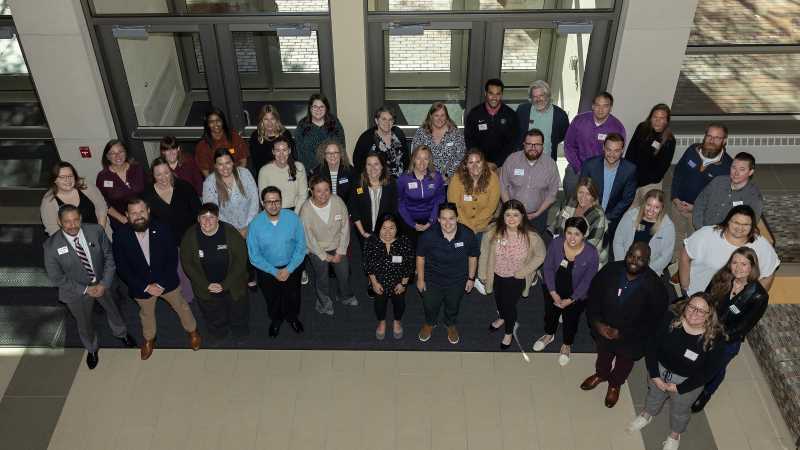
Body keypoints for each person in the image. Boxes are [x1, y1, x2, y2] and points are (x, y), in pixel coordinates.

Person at [626, 294, 725, 450]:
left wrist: (680, 388)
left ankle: (675, 434)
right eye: (692, 306)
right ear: (685, 306)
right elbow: (651, 345)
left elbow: (708, 372)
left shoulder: (715, 339)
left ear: (709, 316)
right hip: (660, 370)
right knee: (654, 394)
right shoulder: (669, 319)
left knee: (680, 409)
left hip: (688, 382)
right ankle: (647, 414)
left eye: (701, 311)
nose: (694, 312)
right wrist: (654, 375)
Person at [43, 205, 135, 369]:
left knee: (113, 309)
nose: (72, 226)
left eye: (76, 220)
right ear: (59, 222)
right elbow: (56, 277)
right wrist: (85, 289)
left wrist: (104, 283)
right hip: (75, 292)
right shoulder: (51, 246)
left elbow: (109, 257)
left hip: (102, 283)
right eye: (67, 222)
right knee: (84, 323)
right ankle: (92, 349)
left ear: (81, 218)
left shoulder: (96, 231)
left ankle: (121, 333)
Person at [581, 242, 669, 408]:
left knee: (624, 363)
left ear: (648, 261)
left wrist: (622, 334)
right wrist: (598, 324)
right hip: (603, 331)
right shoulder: (609, 271)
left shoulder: (656, 288)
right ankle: (601, 374)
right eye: (631, 256)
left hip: (632, 340)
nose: (634, 261)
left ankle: (615, 384)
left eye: (640, 259)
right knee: (603, 356)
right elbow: (593, 297)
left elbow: (653, 322)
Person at [112, 198, 200, 360]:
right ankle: (149, 339)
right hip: (141, 286)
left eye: (141, 211)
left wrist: (160, 283)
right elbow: (122, 267)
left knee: (182, 306)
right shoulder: (120, 235)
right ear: (127, 215)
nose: (138, 216)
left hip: (166, 281)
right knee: (146, 314)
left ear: (148, 211)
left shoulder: (163, 228)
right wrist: (146, 286)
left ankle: (192, 331)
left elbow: (172, 259)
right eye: (134, 213)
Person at [691, 247, 769, 413]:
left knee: (717, 367)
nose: (738, 268)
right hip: (707, 327)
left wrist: (717, 335)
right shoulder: (722, 277)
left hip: (728, 339)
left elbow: (744, 327)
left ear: (752, 267)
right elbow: (707, 298)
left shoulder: (759, 295)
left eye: (744, 264)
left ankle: (707, 392)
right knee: (698, 357)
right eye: (734, 262)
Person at [477, 200, 546, 350]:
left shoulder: (531, 236)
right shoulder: (492, 232)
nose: (511, 219)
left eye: (516, 215)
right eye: (508, 215)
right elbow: (484, 253)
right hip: (496, 275)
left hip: (516, 278)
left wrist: (523, 272)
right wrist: (482, 273)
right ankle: (502, 317)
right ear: (503, 216)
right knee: (499, 299)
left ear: (522, 216)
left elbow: (541, 255)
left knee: (509, 306)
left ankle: (509, 332)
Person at [533, 217, 599, 366]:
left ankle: (566, 344)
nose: (572, 238)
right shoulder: (556, 244)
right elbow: (548, 268)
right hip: (553, 289)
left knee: (571, 320)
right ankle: (549, 335)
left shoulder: (591, 253)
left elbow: (588, 281)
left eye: (577, 234)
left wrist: (571, 299)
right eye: (569, 233)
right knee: (550, 314)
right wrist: (553, 292)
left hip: (577, 296)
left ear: (584, 235)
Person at [180, 203, 250, 342]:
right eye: (203, 217)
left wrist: (225, 284)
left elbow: (241, 262)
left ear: (218, 218)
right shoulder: (190, 236)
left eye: (211, 217)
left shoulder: (230, 233)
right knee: (212, 313)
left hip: (233, 284)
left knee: (238, 311)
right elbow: (187, 264)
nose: (207, 221)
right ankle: (218, 332)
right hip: (206, 287)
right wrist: (206, 285)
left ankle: (239, 331)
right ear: (198, 219)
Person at [680, 205, 779, 296]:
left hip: (734, 304)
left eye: (746, 224)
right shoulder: (706, 234)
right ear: (728, 221)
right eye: (736, 222)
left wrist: (753, 299)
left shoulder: (761, 245)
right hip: (698, 294)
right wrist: (685, 286)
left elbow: (769, 273)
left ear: (752, 226)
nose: (740, 228)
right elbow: (685, 255)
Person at [416, 202, 479, 345]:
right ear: (438, 219)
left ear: (457, 218)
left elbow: (473, 256)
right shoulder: (428, 235)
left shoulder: (467, 234)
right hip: (432, 279)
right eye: (443, 218)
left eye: (451, 218)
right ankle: (430, 323)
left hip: (457, 280)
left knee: (453, 305)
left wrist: (471, 278)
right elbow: (420, 257)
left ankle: (450, 324)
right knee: (430, 305)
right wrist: (420, 279)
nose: (447, 223)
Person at [248, 186, 307, 337]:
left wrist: (289, 269)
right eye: (269, 202)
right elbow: (254, 255)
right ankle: (276, 320)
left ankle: (293, 317)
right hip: (267, 270)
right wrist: (274, 272)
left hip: (292, 266)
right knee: (272, 297)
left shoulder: (293, 218)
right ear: (262, 203)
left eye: (277, 201)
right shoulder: (255, 224)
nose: (273, 205)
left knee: (293, 295)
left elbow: (301, 246)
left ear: (281, 201)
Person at [669, 123, 732, 260]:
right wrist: (674, 197)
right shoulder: (692, 150)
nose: (711, 140)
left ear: (724, 140)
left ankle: (688, 269)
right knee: (676, 235)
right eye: (709, 136)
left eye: (717, 138)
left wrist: (696, 208)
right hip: (678, 205)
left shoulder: (727, 167)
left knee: (696, 243)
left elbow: (721, 199)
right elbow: (678, 174)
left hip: (700, 214)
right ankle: (674, 265)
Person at [143, 157, 201, 301]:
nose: (163, 178)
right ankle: (188, 298)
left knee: (196, 268)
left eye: (166, 173)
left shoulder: (184, 187)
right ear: (153, 175)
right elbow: (146, 221)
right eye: (158, 174)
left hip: (189, 238)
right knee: (178, 272)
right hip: (166, 243)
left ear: (171, 171)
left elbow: (198, 212)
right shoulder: (147, 194)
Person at [299, 175, 357, 315]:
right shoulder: (306, 210)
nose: (323, 194)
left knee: (344, 274)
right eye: (319, 191)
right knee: (322, 277)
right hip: (316, 249)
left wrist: (340, 251)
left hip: (338, 246)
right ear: (311, 191)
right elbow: (308, 238)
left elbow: (345, 228)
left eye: (326, 190)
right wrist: (325, 256)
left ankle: (345, 296)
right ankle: (324, 303)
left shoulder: (338, 201)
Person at [579, 133, 637, 251]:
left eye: (616, 151)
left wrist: (607, 218)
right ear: (603, 148)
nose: (612, 154)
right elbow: (581, 192)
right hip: (589, 213)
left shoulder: (630, 169)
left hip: (613, 217)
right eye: (609, 150)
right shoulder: (590, 165)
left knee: (607, 249)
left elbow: (627, 199)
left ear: (622, 151)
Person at [563, 92, 626, 197]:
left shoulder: (617, 127)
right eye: (597, 105)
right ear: (593, 106)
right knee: (570, 192)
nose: (600, 109)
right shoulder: (579, 120)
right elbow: (568, 146)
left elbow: (617, 153)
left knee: (593, 200)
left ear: (610, 108)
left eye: (605, 106)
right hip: (577, 166)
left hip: (601, 171)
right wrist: (579, 168)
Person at [362, 213, 414, 340]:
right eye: (384, 228)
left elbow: (409, 265)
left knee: (399, 303)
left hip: (398, 281)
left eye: (392, 228)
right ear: (379, 228)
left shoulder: (404, 242)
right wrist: (374, 283)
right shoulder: (371, 241)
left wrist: (403, 284)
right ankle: (382, 322)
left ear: (397, 228)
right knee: (379, 304)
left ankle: (397, 321)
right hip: (379, 281)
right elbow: (367, 264)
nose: (388, 232)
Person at [500, 129, 560, 234]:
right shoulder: (512, 160)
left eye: (537, 144)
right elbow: (503, 186)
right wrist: (511, 211)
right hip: (511, 215)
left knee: (534, 247)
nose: (533, 148)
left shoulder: (550, 165)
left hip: (538, 216)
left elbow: (552, 194)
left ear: (542, 145)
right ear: (524, 144)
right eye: (529, 144)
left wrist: (537, 213)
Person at [692, 151, 763, 229]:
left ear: (750, 172)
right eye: (734, 167)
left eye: (742, 169)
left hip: (728, 235)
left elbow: (748, 225)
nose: (736, 173)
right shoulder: (718, 181)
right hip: (703, 228)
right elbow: (700, 202)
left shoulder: (754, 197)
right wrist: (699, 227)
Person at [612, 189, 675, 275]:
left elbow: (666, 256)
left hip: (650, 270)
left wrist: (646, 270)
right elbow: (618, 242)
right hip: (625, 264)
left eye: (656, 207)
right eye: (649, 205)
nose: (651, 210)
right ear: (644, 203)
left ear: (662, 208)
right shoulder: (630, 216)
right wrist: (623, 264)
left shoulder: (668, 226)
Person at [623, 104, 676, 205]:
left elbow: (661, 170)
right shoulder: (641, 127)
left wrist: (639, 183)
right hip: (633, 175)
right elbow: (630, 152)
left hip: (651, 182)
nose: (657, 121)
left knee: (648, 209)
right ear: (650, 117)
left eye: (661, 118)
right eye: (655, 117)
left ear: (666, 121)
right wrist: (628, 176)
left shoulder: (669, 141)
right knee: (625, 206)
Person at [202, 148, 260, 238]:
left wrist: (248, 226)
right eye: (220, 164)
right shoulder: (209, 183)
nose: (225, 168)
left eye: (227, 163)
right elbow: (213, 211)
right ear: (215, 166)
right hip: (226, 231)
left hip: (251, 227)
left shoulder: (244, 174)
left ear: (233, 162)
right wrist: (233, 231)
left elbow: (255, 201)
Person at [41, 161, 109, 236]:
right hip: (70, 240)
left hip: (98, 232)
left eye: (70, 176)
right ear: (54, 180)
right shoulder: (49, 201)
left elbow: (101, 207)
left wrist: (100, 232)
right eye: (62, 177)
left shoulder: (86, 186)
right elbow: (53, 229)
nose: (68, 180)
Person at [550, 176, 608, 260]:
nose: (583, 197)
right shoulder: (571, 202)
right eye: (580, 192)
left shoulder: (598, 215)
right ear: (576, 192)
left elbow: (590, 246)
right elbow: (557, 224)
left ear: (594, 196)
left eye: (588, 194)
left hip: (589, 258)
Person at [464, 78, 519, 167]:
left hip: (503, 166)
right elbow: (469, 141)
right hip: (479, 165)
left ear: (502, 95)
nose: (494, 98)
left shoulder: (511, 115)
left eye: (498, 94)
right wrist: (481, 162)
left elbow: (512, 143)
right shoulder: (474, 114)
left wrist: (497, 164)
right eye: (491, 93)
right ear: (485, 93)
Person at [397, 145, 446, 243]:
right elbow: (400, 203)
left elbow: (439, 200)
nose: (422, 162)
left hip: (432, 218)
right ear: (413, 159)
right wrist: (412, 224)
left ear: (430, 160)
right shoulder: (404, 179)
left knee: (431, 249)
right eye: (418, 158)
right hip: (409, 219)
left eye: (426, 158)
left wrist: (430, 222)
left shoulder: (436, 177)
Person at [447, 148, 501, 238]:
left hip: (484, 225)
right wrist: (468, 226)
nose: (475, 166)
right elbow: (454, 205)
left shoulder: (493, 178)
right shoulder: (457, 178)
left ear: (483, 163)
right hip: (461, 223)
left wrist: (475, 226)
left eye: (478, 162)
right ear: (465, 165)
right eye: (470, 162)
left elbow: (491, 207)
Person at [95, 139, 145, 230]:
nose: (117, 156)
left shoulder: (138, 169)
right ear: (107, 156)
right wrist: (121, 218)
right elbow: (102, 202)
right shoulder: (102, 177)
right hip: (121, 222)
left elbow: (148, 192)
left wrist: (145, 213)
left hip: (143, 218)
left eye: (120, 151)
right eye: (112, 153)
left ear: (126, 152)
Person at [350, 152, 398, 246]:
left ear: (382, 166)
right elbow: (354, 210)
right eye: (369, 164)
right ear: (365, 167)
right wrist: (363, 233)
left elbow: (394, 210)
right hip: (364, 233)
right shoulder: (358, 184)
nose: (373, 168)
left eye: (376, 164)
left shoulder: (391, 184)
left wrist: (387, 232)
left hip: (386, 233)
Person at [514, 79, 570, 161]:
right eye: (534, 96)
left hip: (547, 161)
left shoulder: (560, 115)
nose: (538, 99)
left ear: (547, 95)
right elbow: (515, 131)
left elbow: (563, 136)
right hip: (523, 160)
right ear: (531, 98)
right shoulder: (523, 110)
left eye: (541, 95)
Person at [411, 102, 465, 180]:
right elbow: (415, 155)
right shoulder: (421, 133)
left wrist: (447, 175)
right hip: (425, 179)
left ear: (447, 116)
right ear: (431, 116)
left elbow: (461, 157)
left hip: (450, 180)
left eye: (442, 115)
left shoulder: (455, 133)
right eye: (436, 115)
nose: (440, 119)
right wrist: (427, 175)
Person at [353, 105, 408, 178]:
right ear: (376, 121)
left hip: (400, 181)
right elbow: (357, 162)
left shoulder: (398, 133)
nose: (387, 123)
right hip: (377, 182)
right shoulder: (366, 138)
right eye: (384, 119)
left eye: (390, 119)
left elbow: (407, 159)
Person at [294, 94, 345, 172]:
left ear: (326, 108)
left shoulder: (334, 123)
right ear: (310, 108)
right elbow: (299, 152)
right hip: (310, 172)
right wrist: (310, 169)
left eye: (321, 107)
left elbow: (341, 147)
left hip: (333, 169)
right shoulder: (302, 126)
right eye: (315, 107)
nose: (318, 109)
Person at [257, 137, 308, 213]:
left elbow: (303, 195)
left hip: (296, 211)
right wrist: (275, 214)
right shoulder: (264, 171)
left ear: (289, 151)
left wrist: (295, 214)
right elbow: (263, 198)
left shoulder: (299, 167)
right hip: (273, 211)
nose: (281, 154)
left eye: (284, 150)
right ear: (273, 152)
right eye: (277, 150)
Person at [194, 107, 249, 177]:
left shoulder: (234, 137)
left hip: (237, 175)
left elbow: (243, 160)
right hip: (217, 180)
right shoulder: (202, 146)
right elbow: (205, 171)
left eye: (218, 120)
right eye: (211, 122)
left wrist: (237, 177)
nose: (215, 124)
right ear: (207, 124)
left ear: (223, 121)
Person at [248, 104, 295, 180]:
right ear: (261, 120)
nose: (269, 123)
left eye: (272, 119)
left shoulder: (285, 134)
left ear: (277, 119)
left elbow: (292, 157)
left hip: (284, 173)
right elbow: (256, 163)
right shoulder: (255, 136)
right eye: (266, 119)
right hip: (265, 175)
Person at [309, 139, 355, 203]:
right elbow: (312, 195)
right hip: (323, 207)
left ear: (341, 154)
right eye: (328, 153)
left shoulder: (350, 171)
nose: (332, 155)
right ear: (324, 155)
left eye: (335, 152)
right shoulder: (316, 172)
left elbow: (356, 194)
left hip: (346, 207)